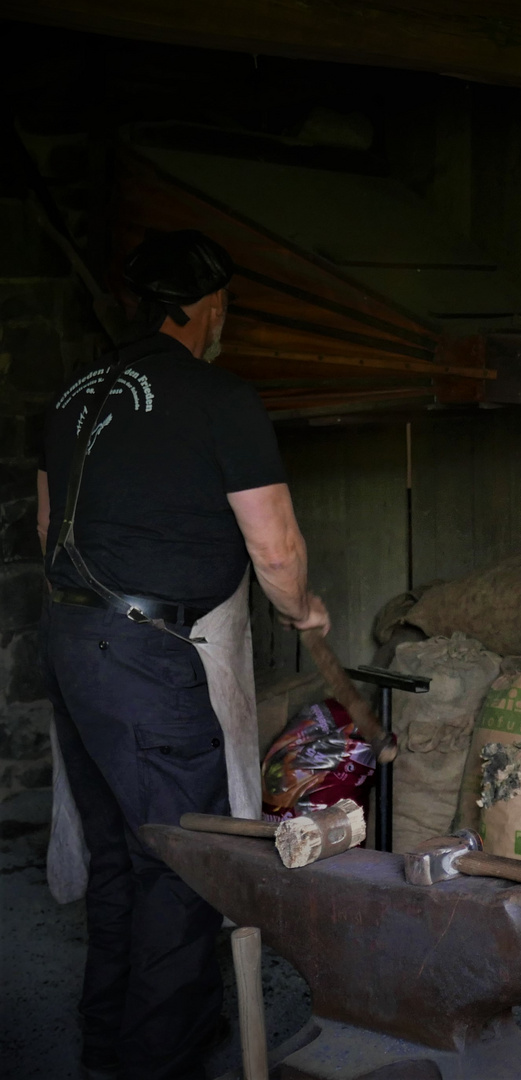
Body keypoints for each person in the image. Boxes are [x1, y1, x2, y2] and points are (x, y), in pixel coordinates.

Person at [36, 230, 329, 1080]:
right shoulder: (218, 396)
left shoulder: (70, 396)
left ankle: (109, 1043)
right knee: (180, 861)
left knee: (124, 856)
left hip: (72, 643)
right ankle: (160, 1061)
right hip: (145, 661)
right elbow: (273, 549)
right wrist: (303, 608)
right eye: (222, 309)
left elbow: (49, 530)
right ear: (202, 310)